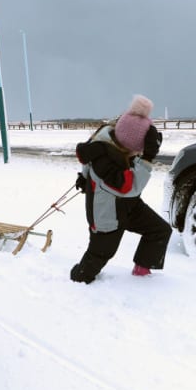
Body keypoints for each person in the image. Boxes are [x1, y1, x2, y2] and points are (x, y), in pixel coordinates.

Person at [70, 94, 171, 284]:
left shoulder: (113, 139)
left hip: (129, 206)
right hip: (107, 216)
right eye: (138, 151)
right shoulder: (104, 162)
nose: (139, 154)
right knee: (99, 256)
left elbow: (88, 164)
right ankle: (78, 281)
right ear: (127, 146)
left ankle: (142, 272)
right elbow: (129, 187)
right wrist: (148, 158)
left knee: (160, 230)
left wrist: (84, 177)